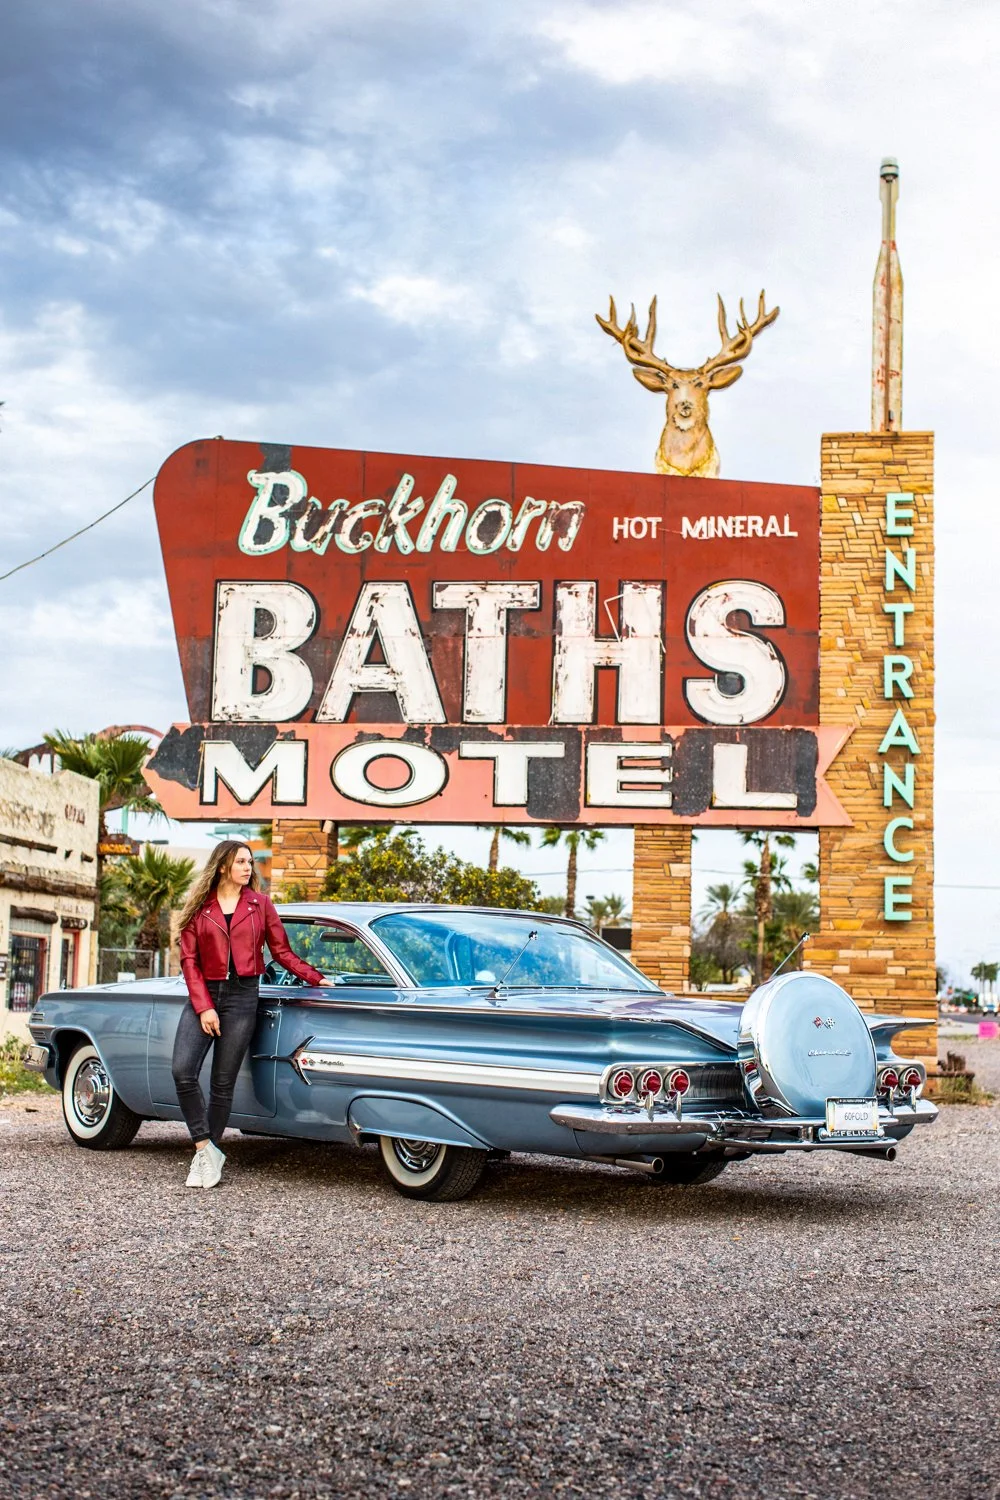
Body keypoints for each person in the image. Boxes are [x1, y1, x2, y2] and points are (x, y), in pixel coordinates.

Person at [172, 840, 334, 1189]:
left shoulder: (260, 905)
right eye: (241, 862)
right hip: (206, 994)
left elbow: (282, 951)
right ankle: (204, 1148)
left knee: (222, 1082)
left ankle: (207, 1157)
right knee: (182, 1071)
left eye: (250, 862)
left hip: (244, 997)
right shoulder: (199, 908)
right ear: (222, 867)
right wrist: (204, 1007)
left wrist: (317, 977)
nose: (249, 867)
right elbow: (189, 961)